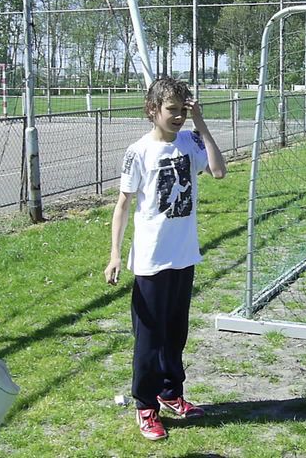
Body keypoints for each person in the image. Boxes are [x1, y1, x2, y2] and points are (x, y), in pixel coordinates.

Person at [104, 77, 226, 441]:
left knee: (176, 334)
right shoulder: (138, 151)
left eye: (182, 109)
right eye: (171, 110)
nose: (177, 117)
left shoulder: (190, 142)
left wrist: (200, 123)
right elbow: (123, 205)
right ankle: (145, 405)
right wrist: (114, 254)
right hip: (151, 260)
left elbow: (219, 171)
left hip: (183, 255)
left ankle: (171, 393)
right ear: (153, 110)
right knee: (150, 338)